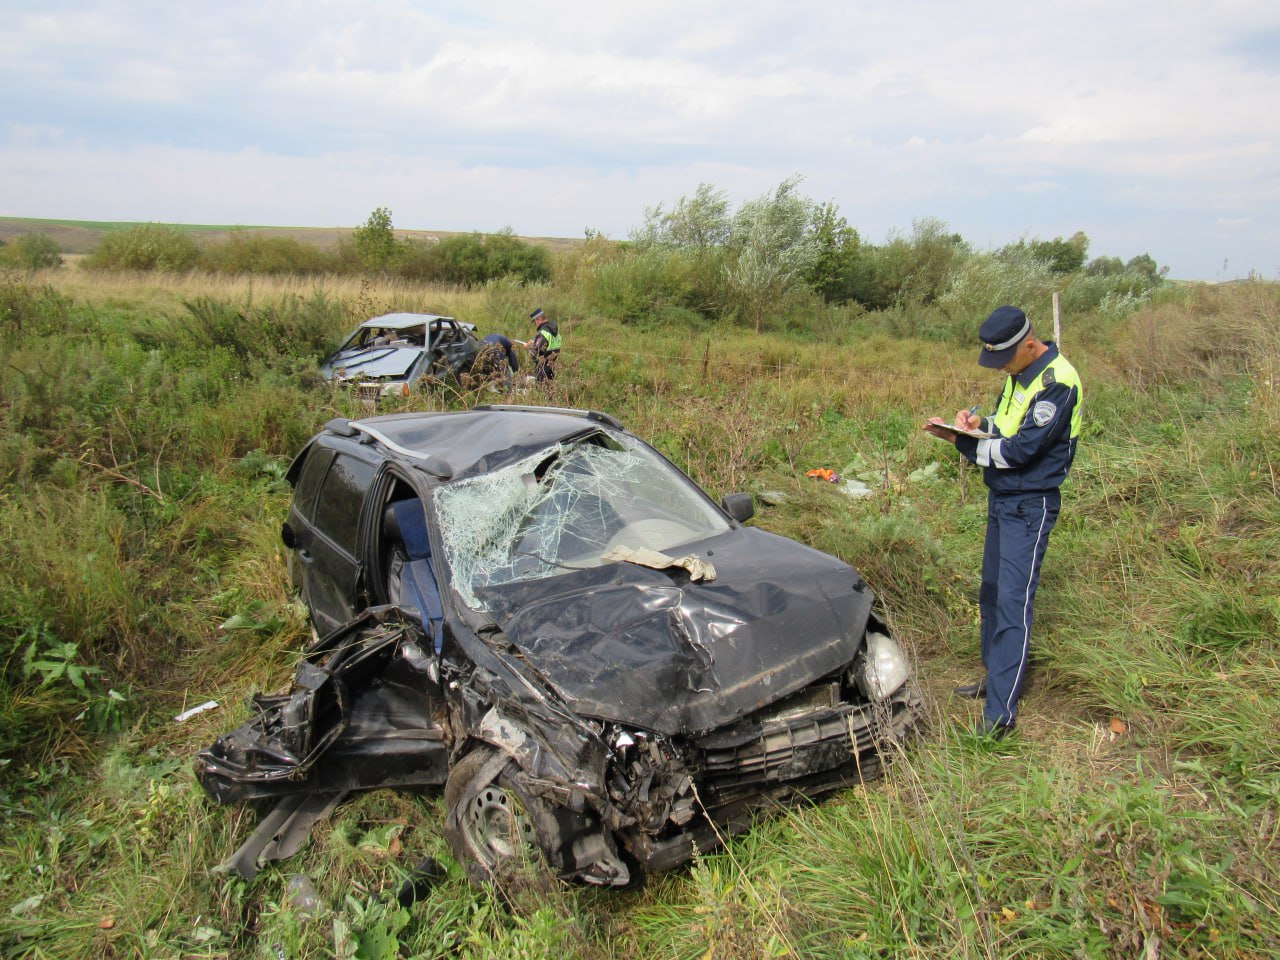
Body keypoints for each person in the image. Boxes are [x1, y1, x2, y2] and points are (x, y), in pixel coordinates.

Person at [924, 305, 1083, 739]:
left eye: (1004, 359)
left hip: (1030, 506)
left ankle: (1000, 716)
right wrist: (979, 425)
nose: (1001, 369)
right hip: (1004, 500)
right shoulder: (1022, 372)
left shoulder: (1058, 384)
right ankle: (995, 677)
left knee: (1013, 604)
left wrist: (963, 444)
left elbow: (1018, 452)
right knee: (991, 593)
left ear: (1029, 345)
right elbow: (1008, 428)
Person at [525, 307, 562, 382]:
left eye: (535, 322)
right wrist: (534, 341)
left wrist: (528, 347)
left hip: (543, 367)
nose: (535, 324)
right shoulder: (554, 330)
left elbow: (538, 352)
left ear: (539, 319)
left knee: (542, 389)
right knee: (550, 388)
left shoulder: (543, 332)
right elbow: (548, 344)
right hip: (553, 365)